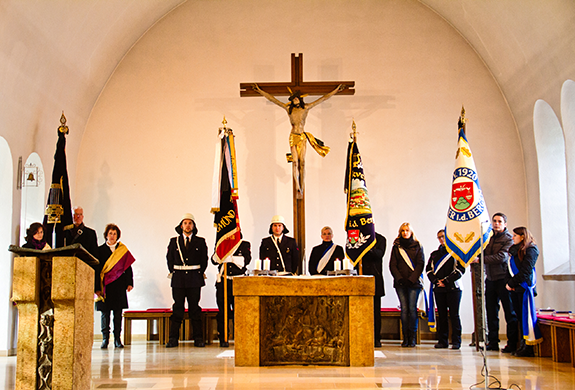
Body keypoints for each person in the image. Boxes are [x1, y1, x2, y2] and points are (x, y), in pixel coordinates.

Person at [252, 83, 346, 197]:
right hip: (293, 137)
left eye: (297, 98)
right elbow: (273, 99)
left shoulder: (305, 108)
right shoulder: (288, 109)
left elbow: (322, 99)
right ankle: (297, 186)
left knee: (303, 163)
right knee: (295, 163)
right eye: (293, 99)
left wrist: (336, 90)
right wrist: (259, 90)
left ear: (300, 99)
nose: (295, 100)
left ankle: (302, 186)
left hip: (302, 137)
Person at [475, 212, 518, 353]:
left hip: (504, 278)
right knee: (491, 312)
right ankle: (492, 342)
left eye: (499, 221)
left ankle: (512, 343)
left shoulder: (508, 239)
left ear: (505, 224)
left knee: (509, 312)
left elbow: (501, 257)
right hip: (491, 279)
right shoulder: (488, 238)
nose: (496, 223)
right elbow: (481, 252)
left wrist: (481, 260)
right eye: (494, 221)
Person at [166, 213, 208, 348]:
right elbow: (169, 258)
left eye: (190, 223)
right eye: (185, 223)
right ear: (181, 226)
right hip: (178, 279)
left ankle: (198, 338)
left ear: (194, 226)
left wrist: (199, 273)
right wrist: (174, 272)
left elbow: (204, 259)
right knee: (177, 308)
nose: (187, 225)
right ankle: (173, 338)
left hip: (194, 279)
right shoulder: (174, 241)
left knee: (194, 309)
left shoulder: (200, 241)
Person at [94, 224, 135, 349]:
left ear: (118, 236)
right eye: (110, 233)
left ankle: (117, 338)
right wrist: (96, 288)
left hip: (118, 285)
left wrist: (129, 282)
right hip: (104, 286)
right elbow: (96, 269)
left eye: (115, 234)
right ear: (106, 235)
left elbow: (128, 267)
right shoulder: (99, 250)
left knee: (118, 314)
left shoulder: (122, 250)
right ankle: (105, 339)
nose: (112, 236)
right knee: (105, 314)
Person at [426, 229, 465, 349]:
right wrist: (436, 281)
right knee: (442, 315)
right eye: (439, 237)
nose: (441, 239)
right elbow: (428, 270)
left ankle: (456, 341)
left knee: (454, 315)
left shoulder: (456, 252)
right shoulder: (434, 254)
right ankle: (442, 340)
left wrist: (446, 281)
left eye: (443, 236)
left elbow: (460, 270)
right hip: (439, 288)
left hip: (453, 288)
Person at [506, 227, 541, 357]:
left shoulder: (531, 250)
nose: (513, 237)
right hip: (515, 288)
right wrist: (509, 283)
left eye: (515, 235)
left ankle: (528, 346)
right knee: (519, 317)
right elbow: (508, 269)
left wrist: (512, 283)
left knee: (525, 316)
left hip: (525, 288)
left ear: (522, 236)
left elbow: (526, 270)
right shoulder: (514, 251)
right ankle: (522, 344)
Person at [389, 222, 425, 347]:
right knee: (404, 309)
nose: (405, 232)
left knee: (412, 309)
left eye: (407, 230)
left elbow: (420, 264)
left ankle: (413, 337)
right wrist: (399, 278)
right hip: (400, 283)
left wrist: (412, 279)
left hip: (413, 283)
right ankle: (405, 338)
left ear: (411, 232)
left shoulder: (417, 246)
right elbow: (392, 265)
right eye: (403, 230)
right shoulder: (396, 247)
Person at [211, 239, 251, 347]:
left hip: (239, 282)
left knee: (239, 311)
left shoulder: (244, 244)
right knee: (223, 311)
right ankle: (223, 337)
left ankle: (240, 337)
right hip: (224, 281)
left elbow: (246, 260)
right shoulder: (222, 243)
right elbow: (214, 260)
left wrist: (230, 259)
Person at [356, 232, 386, 347]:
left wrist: (366, 249)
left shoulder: (380, 239)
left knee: (375, 311)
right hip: (360, 279)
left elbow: (379, 254)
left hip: (375, 279)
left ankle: (376, 338)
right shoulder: (357, 238)